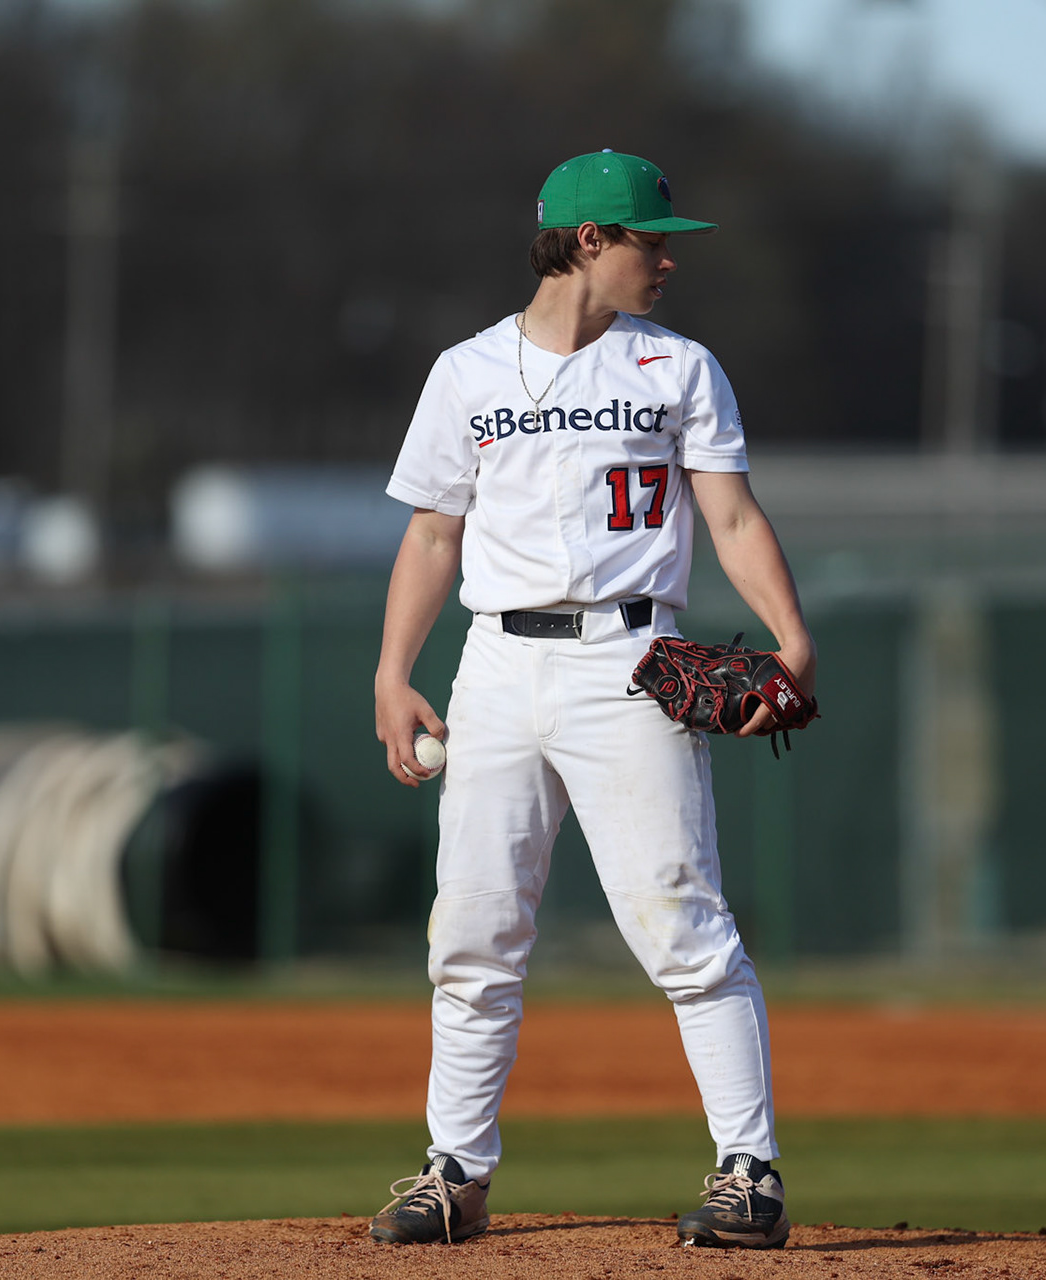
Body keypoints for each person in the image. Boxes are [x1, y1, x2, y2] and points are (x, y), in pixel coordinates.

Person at [368, 150, 816, 1249]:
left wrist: (793, 639)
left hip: (632, 663)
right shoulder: (466, 373)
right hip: (498, 666)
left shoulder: (678, 367)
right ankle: (455, 1170)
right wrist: (392, 670)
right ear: (585, 243)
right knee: (474, 931)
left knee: (682, 921)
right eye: (648, 239)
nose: (667, 257)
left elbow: (735, 519)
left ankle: (748, 1170)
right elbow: (432, 533)